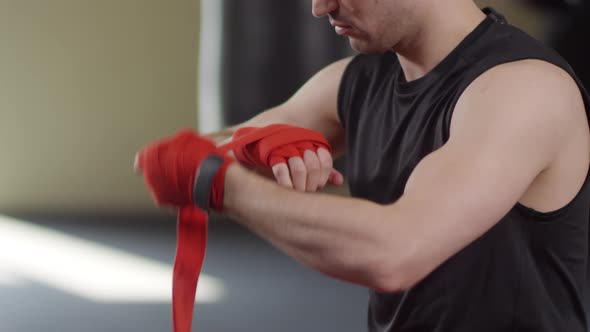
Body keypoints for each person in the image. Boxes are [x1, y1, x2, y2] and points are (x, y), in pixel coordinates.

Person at [137, 0, 590, 331]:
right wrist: (263, 146)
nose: (319, 8)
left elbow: (393, 251)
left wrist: (223, 185)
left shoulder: (523, 90)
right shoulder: (357, 81)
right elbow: (180, 156)